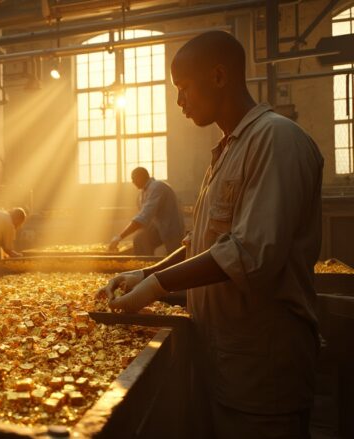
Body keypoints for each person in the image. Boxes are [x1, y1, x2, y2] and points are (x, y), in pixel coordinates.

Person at [98, 31, 322, 439]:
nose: (180, 102)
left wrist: (156, 286)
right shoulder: (226, 152)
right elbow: (197, 246)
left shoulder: (275, 140)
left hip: (260, 367)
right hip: (222, 357)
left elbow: (250, 253)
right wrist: (147, 276)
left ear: (218, 76)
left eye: (183, 88)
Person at [108, 167, 184, 255]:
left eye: (134, 178)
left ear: (141, 177)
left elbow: (143, 218)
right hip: (158, 227)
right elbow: (142, 220)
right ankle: (145, 263)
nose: (132, 182)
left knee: (175, 257)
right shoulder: (142, 194)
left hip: (171, 227)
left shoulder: (157, 187)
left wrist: (119, 237)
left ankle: (147, 265)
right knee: (140, 238)